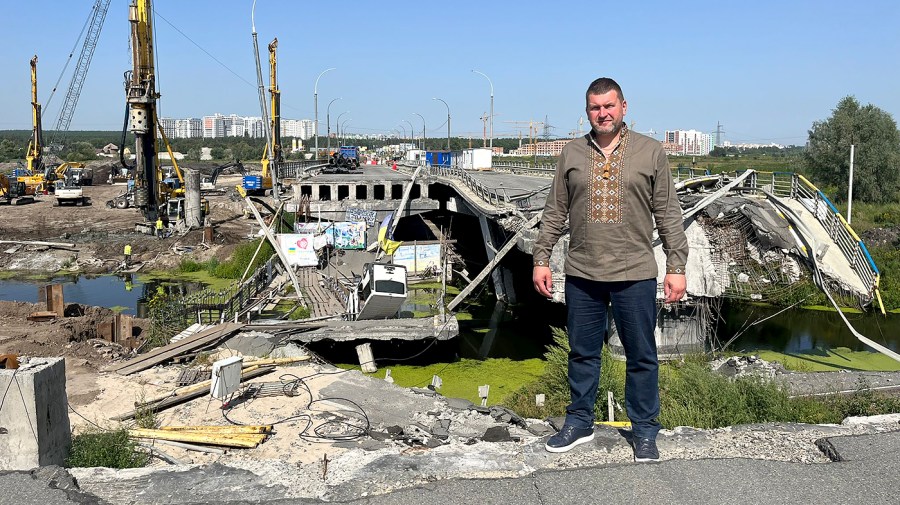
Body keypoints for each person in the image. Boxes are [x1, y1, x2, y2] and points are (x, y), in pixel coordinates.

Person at [532, 77, 688, 462]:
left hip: (634, 272)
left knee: (641, 355)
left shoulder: (650, 152)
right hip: (583, 273)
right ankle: (580, 421)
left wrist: (676, 265)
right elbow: (555, 212)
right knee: (583, 353)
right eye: (594, 108)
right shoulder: (571, 153)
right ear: (587, 111)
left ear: (623, 107)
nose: (602, 113)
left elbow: (668, 212)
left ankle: (646, 430)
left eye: (609, 106)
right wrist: (540, 258)